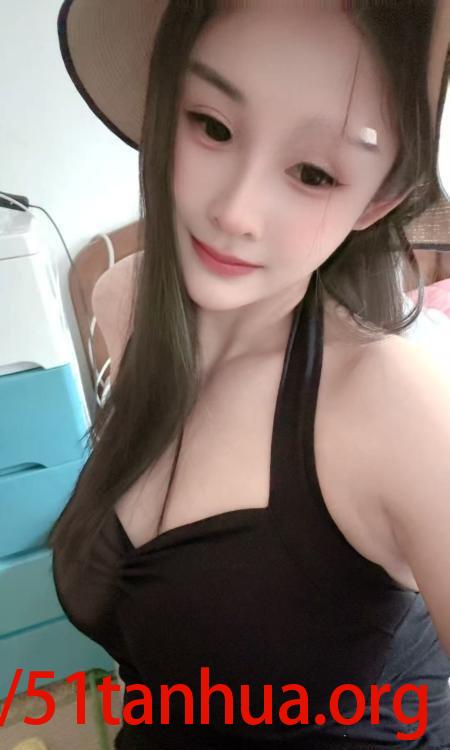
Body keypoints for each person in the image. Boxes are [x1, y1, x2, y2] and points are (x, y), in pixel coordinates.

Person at [48, 1, 450, 748]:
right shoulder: (122, 301)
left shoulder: (396, 403)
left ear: (378, 200)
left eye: (313, 172)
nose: (235, 212)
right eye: (212, 126)